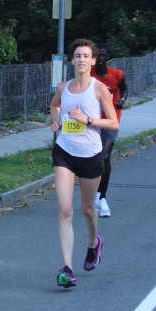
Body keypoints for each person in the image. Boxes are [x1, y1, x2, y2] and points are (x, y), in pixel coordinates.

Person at [50, 38, 120, 288]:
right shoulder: (63, 87)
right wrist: (56, 120)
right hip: (65, 152)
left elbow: (113, 123)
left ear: (93, 60)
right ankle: (67, 268)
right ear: (72, 60)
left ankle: (93, 244)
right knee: (65, 209)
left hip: (91, 154)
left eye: (86, 56)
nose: (81, 60)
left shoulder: (99, 88)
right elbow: (55, 105)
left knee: (88, 209)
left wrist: (88, 120)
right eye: (77, 56)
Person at [89, 46, 127, 218]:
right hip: (91, 122)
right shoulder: (88, 75)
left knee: (104, 156)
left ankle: (101, 197)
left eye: (104, 55)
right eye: (98, 55)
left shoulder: (117, 74)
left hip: (110, 121)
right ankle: (92, 195)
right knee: (91, 159)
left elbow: (124, 89)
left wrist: (122, 99)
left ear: (108, 57)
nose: (101, 58)